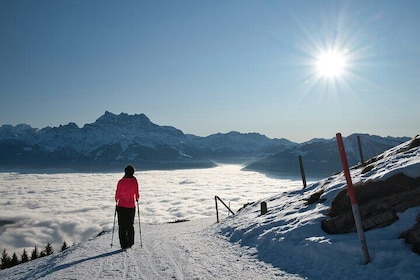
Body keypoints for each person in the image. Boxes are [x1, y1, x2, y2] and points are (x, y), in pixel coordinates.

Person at [115, 165, 140, 249]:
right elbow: (137, 192)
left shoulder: (121, 182)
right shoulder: (134, 181)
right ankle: (130, 242)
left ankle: (124, 244)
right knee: (130, 225)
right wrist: (137, 199)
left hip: (121, 206)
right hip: (131, 206)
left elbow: (117, 193)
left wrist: (116, 199)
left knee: (122, 226)